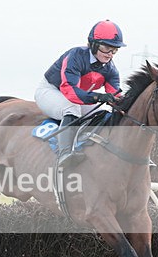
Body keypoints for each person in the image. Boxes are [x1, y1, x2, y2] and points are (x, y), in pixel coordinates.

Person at [35, 20, 126, 168]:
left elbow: (115, 97)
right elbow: (70, 92)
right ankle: (64, 154)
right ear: (94, 44)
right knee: (72, 109)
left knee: (103, 114)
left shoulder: (111, 70)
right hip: (51, 91)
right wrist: (98, 97)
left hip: (76, 98)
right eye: (106, 48)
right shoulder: (75, 55)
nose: (110, 54)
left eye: (114, 50)